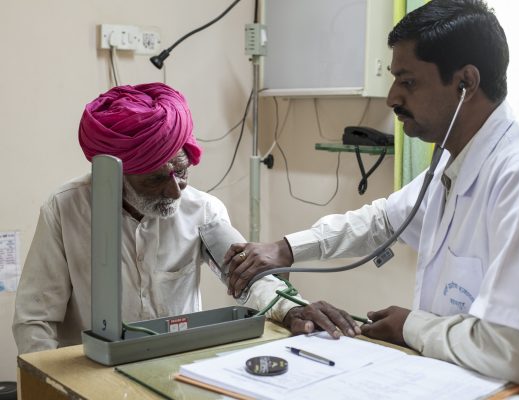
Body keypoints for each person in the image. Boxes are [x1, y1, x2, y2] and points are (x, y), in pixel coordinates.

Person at [224, 0, 519, 393]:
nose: (391, 98)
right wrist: (286, 249)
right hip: (454, 380)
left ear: (465, 84)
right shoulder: (456, 162)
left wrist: (410, 326)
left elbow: (515, 352)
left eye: (408, 81)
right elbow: (384, 221)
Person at [12, 83, 357, 354]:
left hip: (175, 365)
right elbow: (35, 319)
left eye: (181, 172)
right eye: (154, 180)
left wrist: (292, 308)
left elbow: (249, 277)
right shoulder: (65, 209)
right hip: (91, 375)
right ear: (114, 176)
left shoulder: (202, 211)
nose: (175, 191)